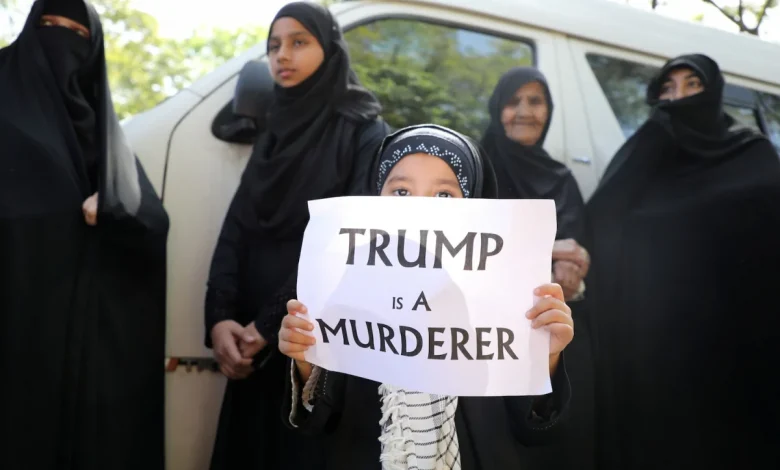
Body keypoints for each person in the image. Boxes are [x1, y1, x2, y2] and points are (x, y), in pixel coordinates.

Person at [278, 124, 574, 470]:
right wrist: (306, 360)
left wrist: (544, 358)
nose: (419, 209)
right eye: (401, 192)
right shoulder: (345, 295)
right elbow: (318, 424)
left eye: (444, 196)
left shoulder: (504, 305)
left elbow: (536, 429)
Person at [203, 2, 389, 469]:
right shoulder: (274, 128)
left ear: (329, 50)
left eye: (299, 42)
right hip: (248, 339)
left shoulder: (363, 129)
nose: (282, 55)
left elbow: (351, 240)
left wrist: (268, 327)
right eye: (273, 46)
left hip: (316, 338)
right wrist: (220, 317)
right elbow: (237, 226)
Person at [585, 54, 780, 470]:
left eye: (693, 85)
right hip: (659, 340)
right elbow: (602, 219)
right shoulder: (649, 148)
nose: (680, 98)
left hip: (735, 338)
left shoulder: (752, 153)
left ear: (714, 90)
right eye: (668, 90)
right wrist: (656, 137)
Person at [0, 1, 169, 469]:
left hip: (80, 347)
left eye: (78, 33)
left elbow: (151, 219)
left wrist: (114, 209)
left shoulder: (102, 127)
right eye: (50, 26)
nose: (62, 40)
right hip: (17, 322)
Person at [481, 67, 593, 469]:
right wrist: (547, 253)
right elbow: (465, 251)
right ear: (498, 110)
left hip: (547, 344)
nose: (525, 111)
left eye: (536, 101)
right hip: (478, 346)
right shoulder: (476, 171)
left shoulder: (562, 179)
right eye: (514, 101)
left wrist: (573, 274)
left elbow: (575, 271)